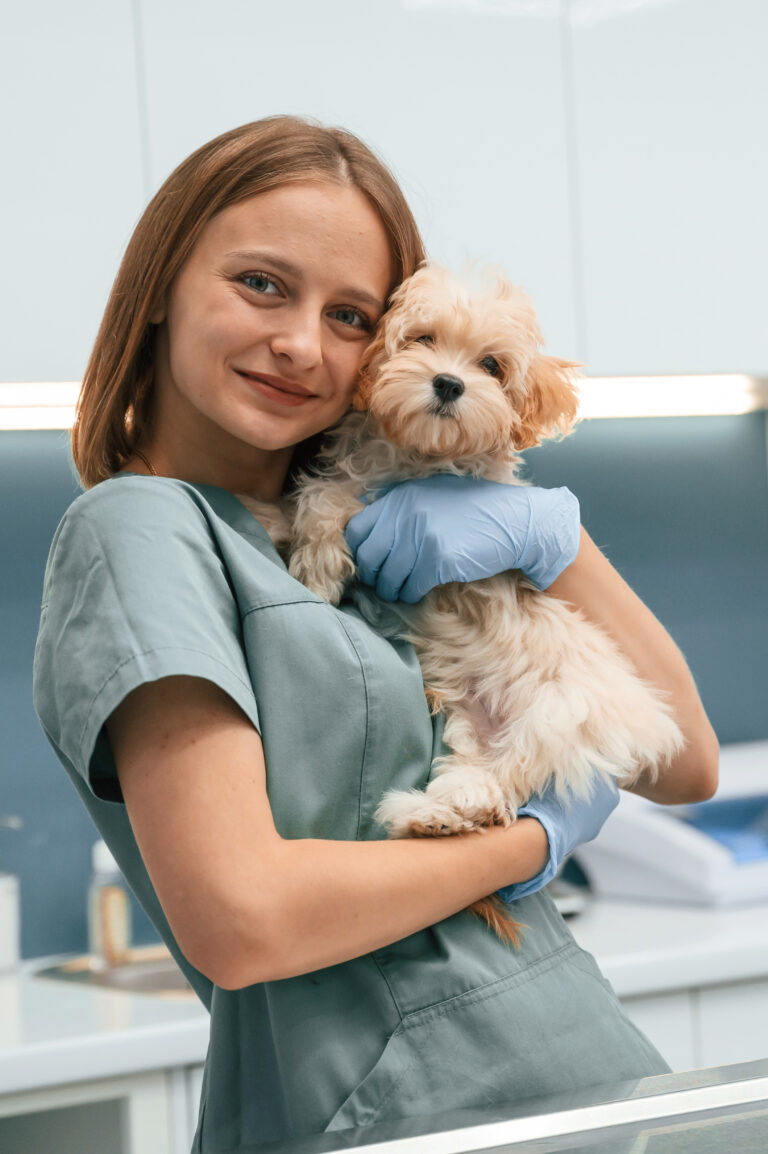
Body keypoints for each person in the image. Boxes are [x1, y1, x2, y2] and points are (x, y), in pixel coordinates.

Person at [33, 116, 718, 1152]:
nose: (303, 342)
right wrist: (533, 842)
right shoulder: (140, 530)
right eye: (262, 284)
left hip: (578, 1066)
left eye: (350, 313)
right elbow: (244, 919)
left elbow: (685, 760)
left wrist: (549, 539)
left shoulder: (365, 525)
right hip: (391, 1106)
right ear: (163, 288)